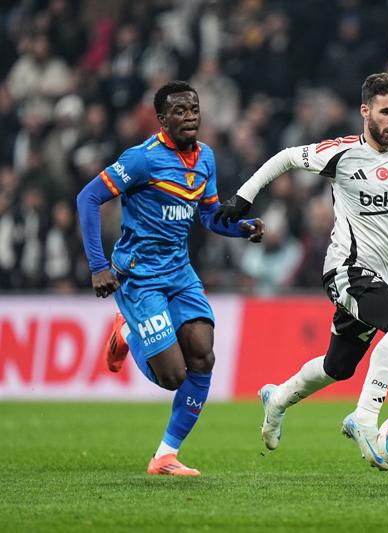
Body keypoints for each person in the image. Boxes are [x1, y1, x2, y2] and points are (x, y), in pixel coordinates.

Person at [214, 72, 388, 471]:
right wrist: (244, 196)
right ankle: (364, 419)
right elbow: (286, 157)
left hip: (381, 279)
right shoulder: (342, 153)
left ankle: (277, 399)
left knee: (338, 367)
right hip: (345, 270)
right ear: (365, 111)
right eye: (385, 112)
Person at [76, 81, 264, 476]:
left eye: (193, 109)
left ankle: (165, 456)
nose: (190, 116)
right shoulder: (142, 160)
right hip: (140, 276)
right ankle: (126, 331)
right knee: (173, 376)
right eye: (179, 111)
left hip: (179, 272)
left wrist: (241, 228)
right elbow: (88, 198)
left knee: (203, 356)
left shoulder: (206, 157)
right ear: (162, 120)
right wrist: (97, 265)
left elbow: (209, 215)